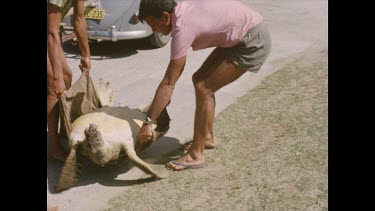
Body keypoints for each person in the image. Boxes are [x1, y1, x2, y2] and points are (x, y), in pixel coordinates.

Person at [137, 0, 271, 171]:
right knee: (200, 79)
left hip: (252, 41)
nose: (153, 30)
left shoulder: (183, 28)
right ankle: (207, 137)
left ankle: (195, 155)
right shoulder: (182, 10)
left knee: (203, 87)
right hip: (243, 33)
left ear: (164, 17)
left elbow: (169, 82)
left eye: (152, 24)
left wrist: (148, 122)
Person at [47, 0, 91, 162]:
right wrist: (57, 78)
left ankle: (62, 130)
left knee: (66, 77)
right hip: (49, 32)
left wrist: (86, 54)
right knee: (54, 83)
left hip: (50, 31)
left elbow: (79, 18)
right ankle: (54, 146)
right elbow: (51, 32)